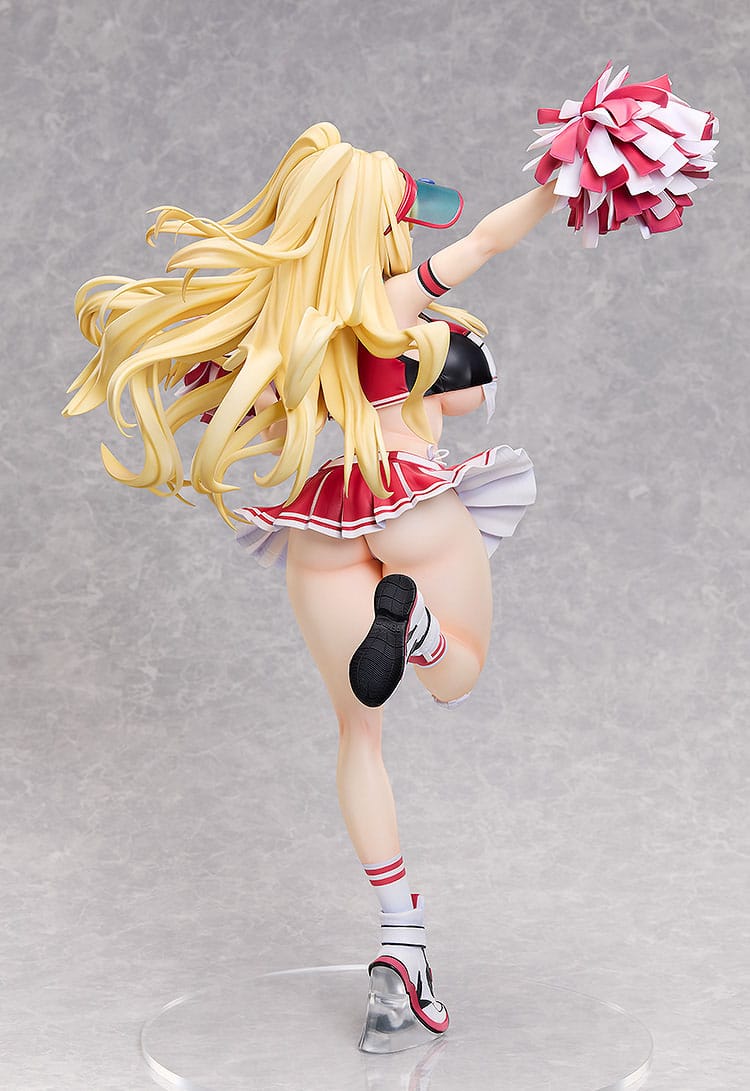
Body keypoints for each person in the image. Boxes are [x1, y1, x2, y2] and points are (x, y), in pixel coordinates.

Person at [63, 122, 557, 1052]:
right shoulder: (398, 299)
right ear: (382, 226)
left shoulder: (291, 322)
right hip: (410, 499)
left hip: (326, 517)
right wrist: (561, 179)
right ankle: (418, 629)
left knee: (358, 734)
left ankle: (401, 942)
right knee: (459, 675)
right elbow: (487, 239)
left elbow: (243, 400)